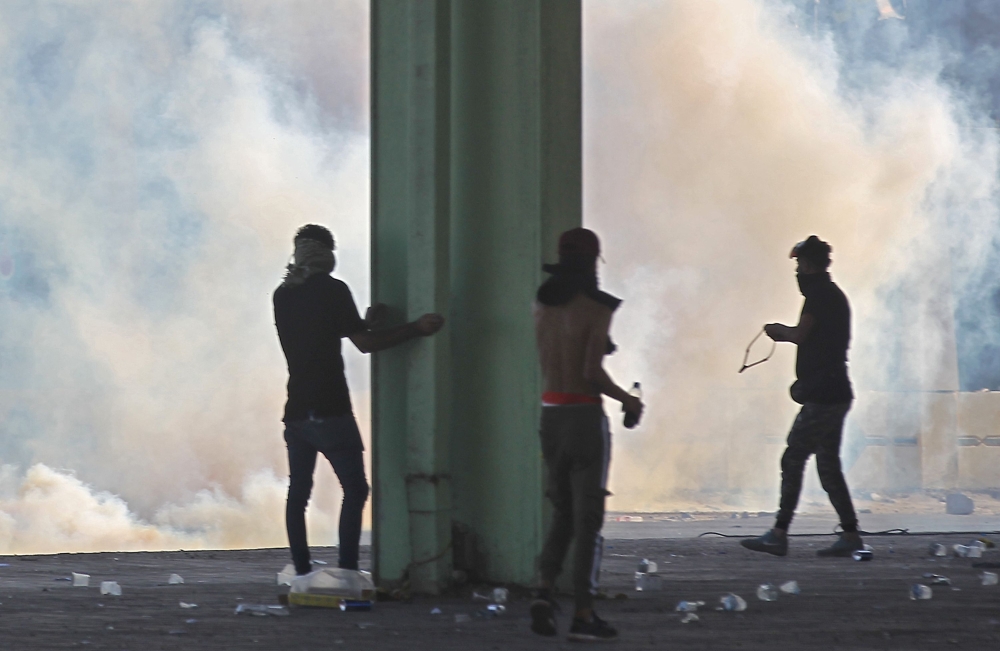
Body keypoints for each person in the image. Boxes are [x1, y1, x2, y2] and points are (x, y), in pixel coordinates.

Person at [273, 224, 444, 575]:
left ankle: (302, 572)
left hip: (296, 413)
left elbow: (318, 330)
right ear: (327, 253)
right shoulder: (334, 289)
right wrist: (416, 328)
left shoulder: (283, 294)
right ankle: (347, 571)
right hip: (330, 409)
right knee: (355, 489)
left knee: (299, 493)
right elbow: (364, 344)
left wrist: (363, 322)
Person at [529, 228, 643, 642]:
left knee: (561, 513)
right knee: (587, 520)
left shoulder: (540, 301)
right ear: (594, 261)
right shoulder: (598, 307)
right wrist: (627, 402)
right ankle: (583, 613)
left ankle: (542, 590)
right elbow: (591, 373)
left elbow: (563, 345)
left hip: (550, 415)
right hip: (583, 418)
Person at [742, 235, 863, 558]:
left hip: (825, 395)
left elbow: (800, 334)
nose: (797, 270)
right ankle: (850, 535)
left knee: (793, 457)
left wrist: (779, 331)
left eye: (798, 263)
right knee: (828, 465)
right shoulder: (831, 294)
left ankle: (779, 533)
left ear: (808, 264)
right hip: (835, 391)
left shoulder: (819, 296)